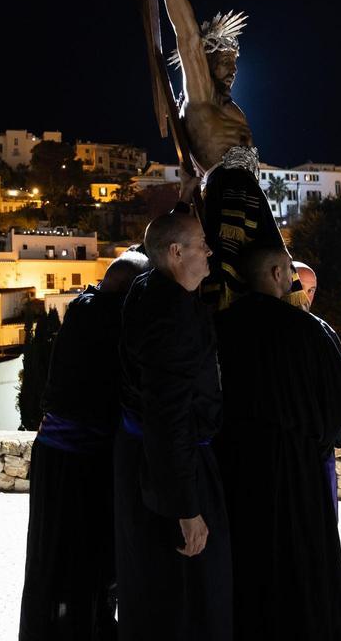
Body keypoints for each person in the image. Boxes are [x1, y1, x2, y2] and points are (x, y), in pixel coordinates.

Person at [151, 0, 292, 311]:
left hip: (249, 196)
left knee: (274, 278)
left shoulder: (234, 107)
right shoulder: (201, 99)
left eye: (235, 64)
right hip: (228, 195)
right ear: (205, 65)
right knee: (233, 285)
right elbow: (186, 34)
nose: (231, 71)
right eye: (223, 63)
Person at [215, 245, 341, 640]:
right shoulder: (311, 330)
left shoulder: (221, 326)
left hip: (238, 471)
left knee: (250, 569)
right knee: (303, 572)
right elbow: (337, 404)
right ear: (277, 274)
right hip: (299, 473)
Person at [19, 250, 150, 641]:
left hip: (58, 458)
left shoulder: (83, 308)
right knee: (88, 563)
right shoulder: (112, 319)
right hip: (84, 464)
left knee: (54, 561)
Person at [115, 210, 231, 640]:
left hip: (155, 461)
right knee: (185, 599)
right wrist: (186, 507)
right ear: (176, 253)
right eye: (202, 244)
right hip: (170, 476)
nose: (209, 251)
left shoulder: (152, 289)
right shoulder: (170, 315)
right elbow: (168, 413)